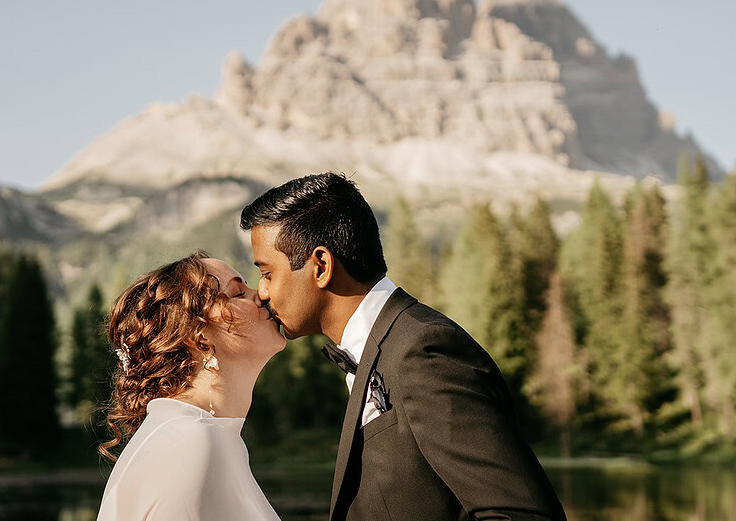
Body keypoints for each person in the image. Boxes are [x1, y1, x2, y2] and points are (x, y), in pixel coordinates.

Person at [240, 172, 567, 521]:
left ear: (321, 266)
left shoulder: (423, 352)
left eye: (267, 273)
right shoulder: (382, 348)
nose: (262, 292)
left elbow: (524, 514)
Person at [96, 252, 285, 521]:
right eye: (238, 293)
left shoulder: (204, 436)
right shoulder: (189, 444)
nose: (262, 294)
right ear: (199, 337)